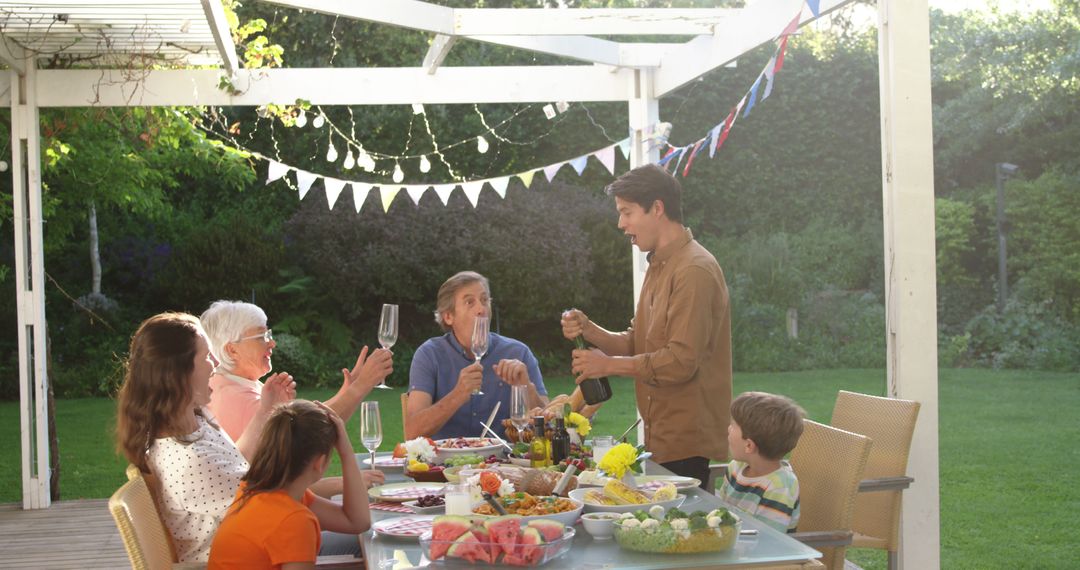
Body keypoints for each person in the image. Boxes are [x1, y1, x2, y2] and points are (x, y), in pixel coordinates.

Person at [115, 313, 376, 563]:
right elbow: (274, 496)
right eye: (207, 356)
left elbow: (236, 462)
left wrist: (265, 409)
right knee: (370, 542)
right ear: (178, 374)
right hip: (256, 557)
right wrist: (343, 474)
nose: (216, 364)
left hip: (267, 544)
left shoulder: (194, 420)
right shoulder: (192, 461)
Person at [561, 163, 732, 485]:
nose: (620, 223)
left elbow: (680, 362)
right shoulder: (659, 263)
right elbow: (637, 341)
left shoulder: (694, 270)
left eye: (627, 212)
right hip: (659, 435)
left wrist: (607, 365)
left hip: (686, 440)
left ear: (657, 208)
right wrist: (589, 329)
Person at [208, 400, 372, 569]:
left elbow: (357, 522)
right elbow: (359, 522)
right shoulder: (294, 520)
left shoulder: (257, 490)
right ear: (320, 462)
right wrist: (345, 451)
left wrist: (346, 452)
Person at [200, 300, 393, 441]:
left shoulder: (233, 383)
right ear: (232, 349)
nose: (272, 343)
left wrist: (349, 389)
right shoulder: (235, 398)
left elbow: (309, 416)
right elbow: (310, 435)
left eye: (268, 334)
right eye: (261, 336)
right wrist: (361, 386)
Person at [406, 271, 549, 440]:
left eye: (484, 300)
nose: (481, 309)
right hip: (444, 463)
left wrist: (526, 387)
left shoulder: (518, 353)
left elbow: (549, 426)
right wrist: (458, 395)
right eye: (469, 302)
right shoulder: (429, 354)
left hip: (505, 463)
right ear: (449, 316)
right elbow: (412, 432)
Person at [717, 391, 805, 533]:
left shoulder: (779, 487)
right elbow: (720, 513)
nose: (728, 428)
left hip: (764, 551)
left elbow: (769, 539)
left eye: (733, 425)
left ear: (749, 446)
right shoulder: (736, 467)